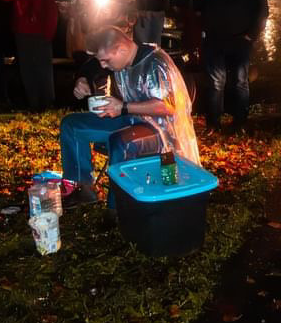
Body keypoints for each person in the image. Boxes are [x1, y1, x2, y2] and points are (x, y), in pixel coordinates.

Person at [60, 26, 200, 207]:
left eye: (105, 61)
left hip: (162, 131)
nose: (103, 65)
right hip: (130, 118)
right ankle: (82, 188)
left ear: (121, 50)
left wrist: (124, 107)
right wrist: (83, 79)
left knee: (121, 142)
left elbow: (168, 106)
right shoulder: (117, 59)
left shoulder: (155, 63)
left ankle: (117, 207)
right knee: (72, 125)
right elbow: (93, 65)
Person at [195, 0, 268, 132]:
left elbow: (263, 9)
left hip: (240, 40)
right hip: (214, 39)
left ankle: (240, 123)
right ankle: (213, 124)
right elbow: (197, 7)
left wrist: (251, 35)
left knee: (240, 82)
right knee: (215, 82)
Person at [1, 0, 58, 111]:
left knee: (43, 68)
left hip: (40, 30)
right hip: (22, 31)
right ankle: (33, 103)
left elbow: (50, 6)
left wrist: (49, 30)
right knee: (27, 69)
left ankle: (47, 103)